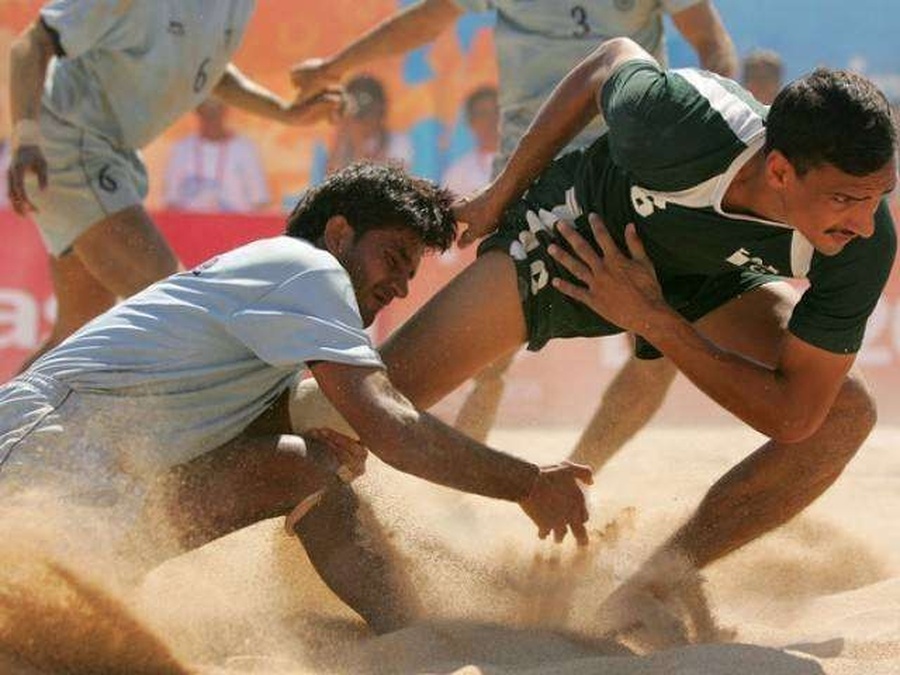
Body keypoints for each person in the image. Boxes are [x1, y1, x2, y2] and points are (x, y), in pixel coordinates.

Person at [286, 38, 896, 637]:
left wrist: (652, 317)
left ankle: (655, 581)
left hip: (702, 281)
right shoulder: (679, 122)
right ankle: (282, 524)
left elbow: (793, 418)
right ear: (782, 171)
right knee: (348, 408)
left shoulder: (863, 240)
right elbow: (609, 59)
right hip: (575, 236)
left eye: (879, 198)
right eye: (847, 199)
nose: (865, 222)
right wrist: (501, 194)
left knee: (845, 416)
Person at [0, 162, 593, 635]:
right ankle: (413, 632)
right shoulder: (307, 267)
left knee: (307, 467)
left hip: (103, 480)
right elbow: (391, 425)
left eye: (411, 273)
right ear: (338, 233)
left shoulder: (283, 309)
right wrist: (528, 483)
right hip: (43, 446)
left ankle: (411, 635)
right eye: (393, 257)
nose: (401, 285)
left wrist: (316, 443)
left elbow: (278, 434)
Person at [291, 0, 738, 466]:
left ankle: (579, 473)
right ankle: (442, 490)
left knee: (657, 352)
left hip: (628, 175)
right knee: (490, 356)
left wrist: (710, 145)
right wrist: (333, 67)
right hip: (531, 175)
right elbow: (431, 16)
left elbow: (712, 43)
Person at [6, 0, 342, 373]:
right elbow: (31, 44)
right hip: (69, 145)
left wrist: (285, 113)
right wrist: (26, 138)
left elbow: (209, 71)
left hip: (103, 154)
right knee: (182, 314)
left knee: (72, 338)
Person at [163, 97, 270, 213]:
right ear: (198, 112)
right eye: (206, 112)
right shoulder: (182, 149)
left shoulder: (245, 149)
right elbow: (171, 202)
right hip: (192, 228)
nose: (211, 118)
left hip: (237, 227)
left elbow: (259, 201)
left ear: (225, 112)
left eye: (215, 112)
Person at [326, 74, 413, 174]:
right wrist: (345, 132)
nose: (364, 122)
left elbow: (388, 182)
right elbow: (331, 178)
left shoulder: (399, 143)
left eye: (368, 112)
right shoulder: (344, 142)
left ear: (380, 110)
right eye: (358, 115)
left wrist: (359, 146)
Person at [442, 85, 499, 198]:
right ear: (471, 122)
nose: (491, 120)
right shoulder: (458, 173)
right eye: (483, 114)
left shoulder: (523, 158)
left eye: (496, 111)